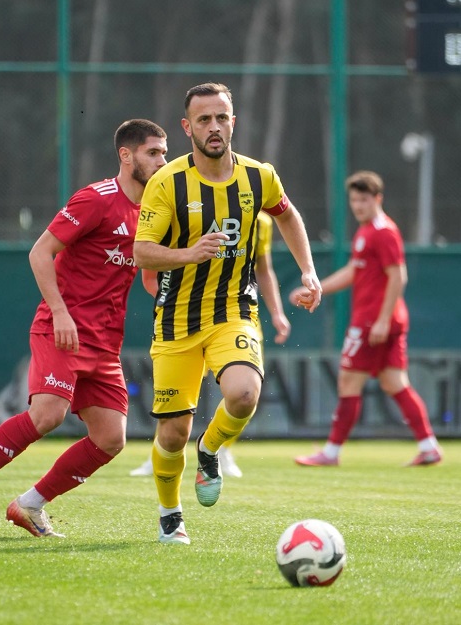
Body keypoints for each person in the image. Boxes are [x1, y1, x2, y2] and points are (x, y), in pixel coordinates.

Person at [0, 119, 168, 539]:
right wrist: (59, 311)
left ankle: (29, 505)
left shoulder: (151, 211)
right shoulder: (96, 199)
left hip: (103, 344)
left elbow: (149, 270)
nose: (161, 160)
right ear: (126, 155)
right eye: (153, 152)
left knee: (111, 439)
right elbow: (40, 252)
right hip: (61, 328)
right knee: (47, 414)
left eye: (164, 153)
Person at [133, 82, 321, 545]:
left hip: (234, 310)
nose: (213, 127)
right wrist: (188, 254)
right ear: (187, 128)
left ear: (233, 121)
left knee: (243, 394)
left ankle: (211, 448)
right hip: (176, 320)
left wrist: (309, 272)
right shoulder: (167, 182)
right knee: (172, 433)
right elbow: (141, 252)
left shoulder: (260, 176)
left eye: (221, 118)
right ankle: (170, 513)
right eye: (203, 120)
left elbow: (288, 215)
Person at [291, 170, 442, 468]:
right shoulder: (366, 231)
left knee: (349, 381)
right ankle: (429, 446)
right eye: (354, 200)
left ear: (378, 199)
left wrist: (383, 320)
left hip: (374, 321)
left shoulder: (383, 231)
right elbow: (353, 272)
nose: (358, 206)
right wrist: (317, 285)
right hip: (384, 319)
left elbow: (399, 276)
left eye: (364, 200)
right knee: (394, 382)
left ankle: (331, 453)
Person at [129, 211, 292, 478]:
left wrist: (277, 313)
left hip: (236, 317)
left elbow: (263, 267)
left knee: (245, 391)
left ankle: (220, 448)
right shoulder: (184, 208)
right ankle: (160, 454)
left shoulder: (261, 222)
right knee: (177, 399)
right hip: (185, 321)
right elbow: (149, 267)